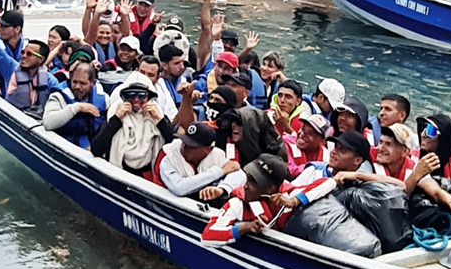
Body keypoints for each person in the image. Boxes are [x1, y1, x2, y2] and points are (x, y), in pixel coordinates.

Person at [201, 155, 336, 245]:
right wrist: (243, 228)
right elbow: (207, 235)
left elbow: (329, 182)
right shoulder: (238, 203)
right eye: (248, 177)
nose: (245, 185)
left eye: (254, 182)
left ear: (271, 189)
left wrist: (294, 201)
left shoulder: (288, 195)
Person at [91, 73, 175, 177]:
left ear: (149, 97)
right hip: (118, 172)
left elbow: (171, 144)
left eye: (141, 95)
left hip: (146, 174)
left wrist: (161, 120)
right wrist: (116, 120)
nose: (136, 99)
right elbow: (96, 149)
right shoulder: (114, 112)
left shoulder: (156, 114)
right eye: (130, 95)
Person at [0, 9, 58, 109]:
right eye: (23, 52)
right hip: (12, 114)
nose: (24, 56)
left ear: (41, 60)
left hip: (37, 116)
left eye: (29, 54)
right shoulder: (11, 68)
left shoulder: (51, 81)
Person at [153, 122, 244, 200]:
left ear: (208, 149)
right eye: (184, 142)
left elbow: (240, 175)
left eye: (191, 146)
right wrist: (219, 172)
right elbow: (179, 188)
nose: (184, 147)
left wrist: (222, 189)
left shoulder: (216, 155)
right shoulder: (170, 157)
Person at [43, 61, 107, 148]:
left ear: (93, 83)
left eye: (82, 83)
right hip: (65, 146)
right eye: (75, 82)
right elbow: (47, 123)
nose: (77, 86)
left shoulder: (104, 97)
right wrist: (76, 108)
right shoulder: (58, 96)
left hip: (92, 146)